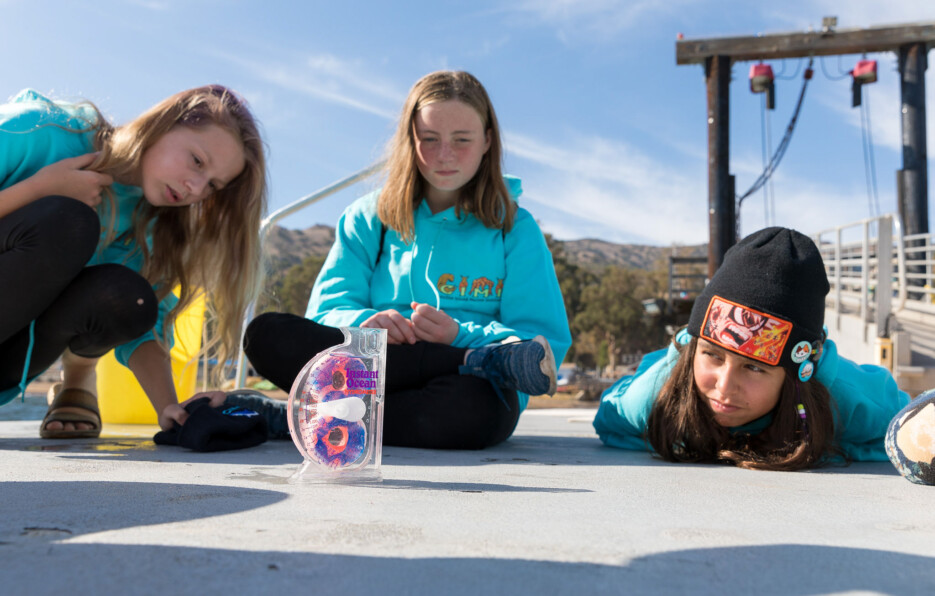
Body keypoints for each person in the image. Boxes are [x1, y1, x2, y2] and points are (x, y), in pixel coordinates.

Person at [238, 70, 571, 450]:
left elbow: (540, 346)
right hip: (369, 372)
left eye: (461, 140)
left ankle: (296, 419)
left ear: (487, 142)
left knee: (474, 411)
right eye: (429, 139)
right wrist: (366, 324)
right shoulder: (367, 217)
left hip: (463, 384)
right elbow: (326, 314)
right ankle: (339, 413)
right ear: (409, 141)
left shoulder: (514, 226)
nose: (445, 155)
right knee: (265, 335)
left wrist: (457, 337)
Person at [0, 85, 267, 438]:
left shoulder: (154, 229)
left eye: (213, 186)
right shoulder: (42, 131)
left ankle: (78, 379)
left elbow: (145, 324)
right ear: (163, 124)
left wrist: (171, 409)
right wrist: (37, 190)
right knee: (67, 221)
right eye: (197, 161)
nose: (195, 188)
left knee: (130, 295)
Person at [592, 227, 909, 470]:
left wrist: (827, 445)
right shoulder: (658, 394)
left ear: (793, 375)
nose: (724, 386)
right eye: (713, 355)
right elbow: (610, 422)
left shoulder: (847, 399)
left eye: (754, 367)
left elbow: (913, 430)